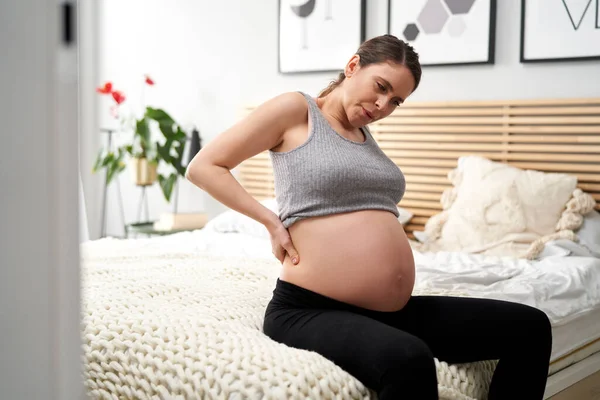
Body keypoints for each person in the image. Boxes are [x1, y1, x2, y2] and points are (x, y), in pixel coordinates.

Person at [185, 34, 552, 400]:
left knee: (531, 327)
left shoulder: (364, 136)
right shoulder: (297, 110)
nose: (382, 105)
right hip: (309, 309)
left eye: (395, 101)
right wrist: (270, 220)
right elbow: (205, 166)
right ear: (352, 66)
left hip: (389, 312)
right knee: (409, 359)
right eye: (381, 87)